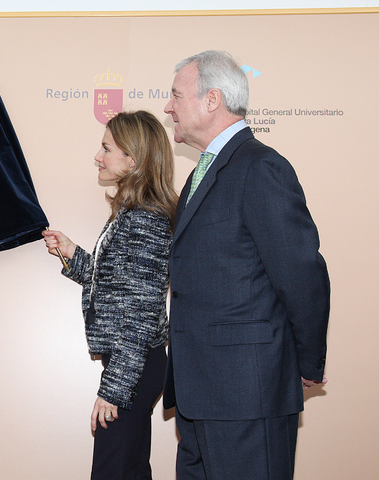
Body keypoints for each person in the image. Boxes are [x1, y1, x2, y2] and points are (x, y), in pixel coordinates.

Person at [162, 50, 330, 480]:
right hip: (200, 396)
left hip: (247, 394)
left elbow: (301, 273)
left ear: (211, 99)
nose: (168, 107)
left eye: (176, 95)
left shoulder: (260, 167)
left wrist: (306, 362)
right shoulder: (206, 171)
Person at [43, 110, 178, 480]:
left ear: (132, 159)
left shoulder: (144, 218)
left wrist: (115, 389)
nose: (98, 157)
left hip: (133, 363)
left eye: (106, 148)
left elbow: (140, 310)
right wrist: (73, 254)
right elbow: (118, 287)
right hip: (134, 362)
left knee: (114, 470)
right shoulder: (134, 213)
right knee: (127, 469)